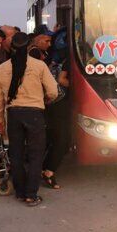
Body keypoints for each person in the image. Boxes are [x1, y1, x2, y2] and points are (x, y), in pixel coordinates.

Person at [0, 32, 58, 206]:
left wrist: (0, 119)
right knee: (36, 154)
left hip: (13, 114)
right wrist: (45, 100)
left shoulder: (3, 68)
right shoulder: (39, 66)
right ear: (28, 46)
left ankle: (20, 192)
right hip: (34, 113)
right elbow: (53, 91)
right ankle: (31, 194)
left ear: (12, 47)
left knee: (16, 154)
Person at [42, 21, 70, 189]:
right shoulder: (68, 57)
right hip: (59, 103)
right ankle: (49, 171)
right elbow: (61, 80)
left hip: (54, 103)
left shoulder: (54, 56)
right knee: (63, 140)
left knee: (56, 139)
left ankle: (45, 168)